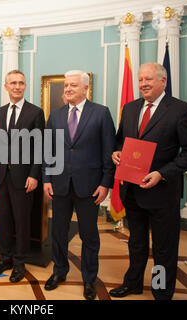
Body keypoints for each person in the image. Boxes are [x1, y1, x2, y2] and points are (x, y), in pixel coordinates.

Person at [109, 62, 187, 300]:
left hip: (162, 193)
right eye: (140, 80)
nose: (143, 84)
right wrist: (116, 153)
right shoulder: (129, 109)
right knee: (136, 243)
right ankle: (133, 283)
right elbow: (120, 141)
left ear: (163, 81)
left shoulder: (180, 110)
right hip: (133, 191)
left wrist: (162, 173)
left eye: (148, 79)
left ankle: (161, 291)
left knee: (163, 249)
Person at [42, 70, 116, 300]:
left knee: (89, 235)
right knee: (58, 232)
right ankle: (59, 271)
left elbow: (109, 152)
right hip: (60, 185)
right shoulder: (55, 116)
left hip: (90, 187)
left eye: (73, 85)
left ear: (85, 88)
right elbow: (48, 150)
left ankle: (89, 279)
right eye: (65, 85)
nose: (67, 89)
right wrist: (46, 178)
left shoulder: (101, 113)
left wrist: (106, 184)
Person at [0, 70, 45, 283]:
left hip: (24, 178)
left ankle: (19, 262)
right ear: (6, 86)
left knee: (22, 222)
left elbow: (40, 147)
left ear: (25, 86)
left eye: (21, 83)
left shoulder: (35, 112)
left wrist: (34, 175)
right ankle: (5, 258)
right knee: (3, 220)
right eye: (13, 83)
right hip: (1, 176)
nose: (17, 86)